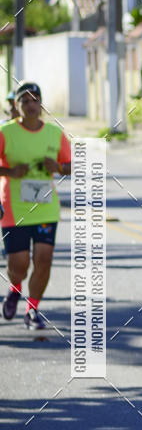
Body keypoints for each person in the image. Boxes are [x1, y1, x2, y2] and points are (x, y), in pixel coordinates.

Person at [0, 82, 71, 330]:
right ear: (17, 105)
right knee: (19, 264)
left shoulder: (54, 133)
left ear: (41, 103)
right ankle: (15, 288)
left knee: (44, 260)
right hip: (14, 207)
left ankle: (32, 309)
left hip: (45, 207)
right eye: (25, 101)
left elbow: (72, 165)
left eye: (35, 100)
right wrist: (10, 171)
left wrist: (58, 167)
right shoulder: (5, 132)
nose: (31, 105)